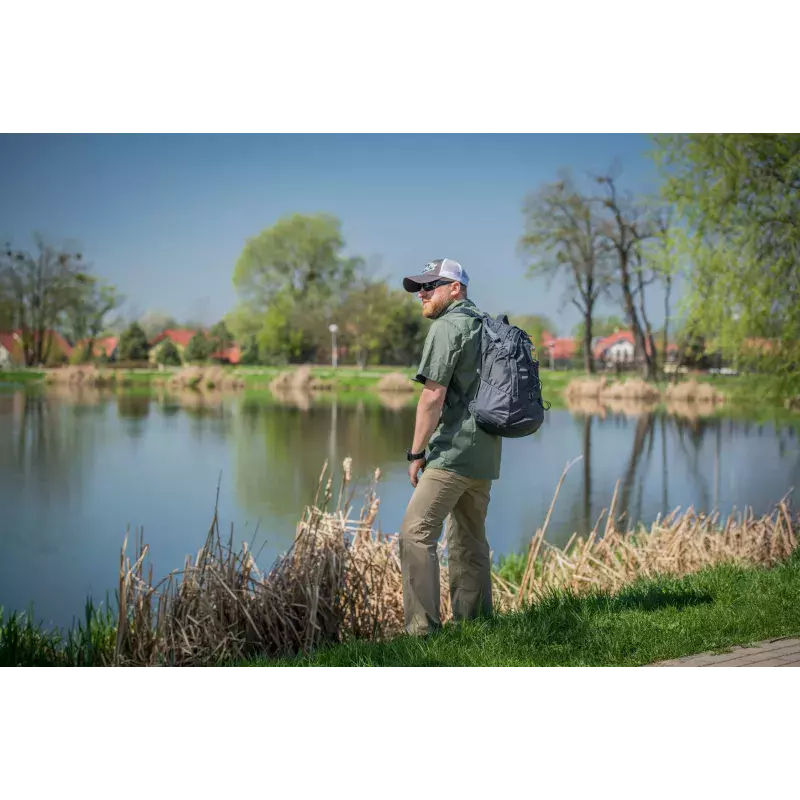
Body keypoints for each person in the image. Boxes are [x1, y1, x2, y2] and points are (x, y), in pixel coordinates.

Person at [398, 258, 502, 636]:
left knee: (415, 533)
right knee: (469, 541)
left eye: (430, 287)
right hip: (485, 452)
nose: (421, 294)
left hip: (454, 452)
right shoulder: (485, 325)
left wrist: (416, 453)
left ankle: (422, 631)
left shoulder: (448, 326)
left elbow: (432, 396)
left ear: (454, 289)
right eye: (419, 289)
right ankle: (475, 627)